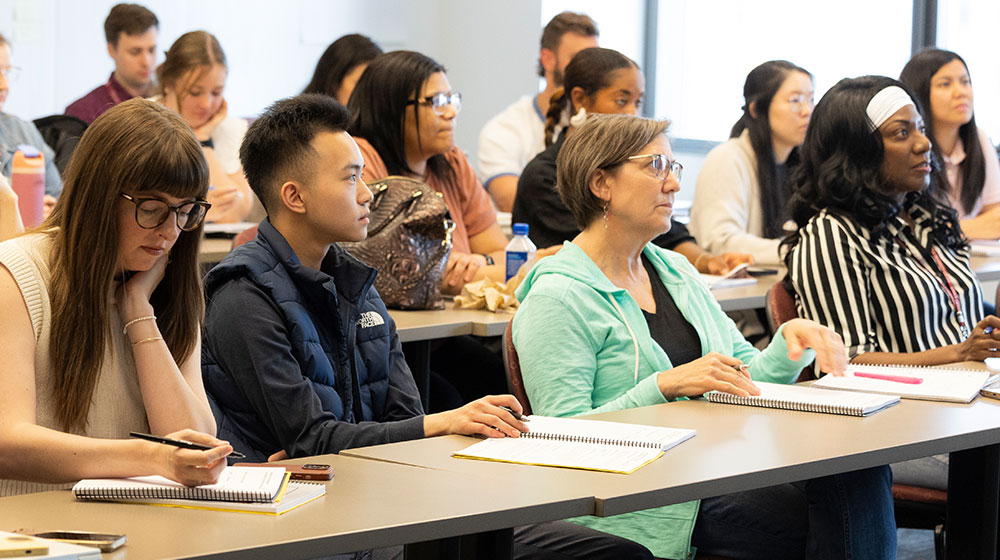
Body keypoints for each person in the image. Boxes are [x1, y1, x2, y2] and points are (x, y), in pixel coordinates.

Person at [201, 93, 653, 560]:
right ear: (294, 196)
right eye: (351, 178)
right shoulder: (244, 296)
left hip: (387, 496)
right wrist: (444, 422)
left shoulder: (353, 279)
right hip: (310, 522)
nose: (367, 194)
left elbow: (404, 417)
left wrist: (448, 429)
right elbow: (312, 441)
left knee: (615, 553)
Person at [514, 113, 896, 560]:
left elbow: (741, 373)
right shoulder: (558, 296)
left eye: (673, 169)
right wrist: (664, 385)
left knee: (858, 471)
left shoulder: (673, 269)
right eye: (656, 166)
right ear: (601, 183)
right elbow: (561, 438)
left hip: (716, 464)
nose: (674, 185)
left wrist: (789, 343)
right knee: (820, 515)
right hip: (645, 493)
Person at [0, 98, 230, 498]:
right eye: (153, 208)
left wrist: (138, 312)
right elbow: (8, 442)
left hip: (138, 527)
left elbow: (190, 437)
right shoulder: (17, 274)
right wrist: (150, 458)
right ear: (98, 198)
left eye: (186, 210)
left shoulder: (163, 286)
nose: (171, 230)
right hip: (35, 537)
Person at [785, 76, 1000, 491]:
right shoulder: (831, 234)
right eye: (902, 133)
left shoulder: (923, 220)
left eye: (920, 128)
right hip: (896, 428)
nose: (924, 144)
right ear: (857, 152)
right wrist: (957, 353)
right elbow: (843, 363)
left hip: (966, 407)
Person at [512, 47, 751, 275]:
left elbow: (666, 233)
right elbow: (609, 242)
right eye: (621, 101)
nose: (632, 114)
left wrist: (708, 261)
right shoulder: (543, 176)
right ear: (580, 99)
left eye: (637, 103)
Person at [349, 50, 560, 295]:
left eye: (451, 99)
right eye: (436, 102)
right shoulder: (360, 160)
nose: (451, 112)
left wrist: (484, 261)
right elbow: (413, 273)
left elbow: (498, 252)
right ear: (391, 107)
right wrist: (539, 264)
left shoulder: (452, 162)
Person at [690, 60, 814, 265]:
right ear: (757, 109)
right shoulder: (727, 158)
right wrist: (798, 250)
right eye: (795, 100)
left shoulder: (801, 165)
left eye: (810, 99)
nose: (807, 110)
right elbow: (720, 242)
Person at [478, 11, 598, 211]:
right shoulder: (503, 130)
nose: (591, 70)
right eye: (579, 59)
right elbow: (515, 203)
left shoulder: (605, 124)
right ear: (548, 59)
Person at [900, 48, 1000, 240]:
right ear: (919, 91)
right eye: (945, 84)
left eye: (965, 82)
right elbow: (911, 227)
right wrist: (971, 228)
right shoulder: (907, 146)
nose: (961, 92)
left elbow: (997, 218)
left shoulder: (979, 140)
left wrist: (947, 230)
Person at [155, 31, 254, 223]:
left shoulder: (231, 128)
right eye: (195, 92)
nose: (206, 104)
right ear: (169, 84)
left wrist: (203, 140)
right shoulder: (142, 120)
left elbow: (239, 211)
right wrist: (198, 209)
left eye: (216, 92)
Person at [65, 3, 158, 124]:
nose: (146, 62)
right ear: (112, 50)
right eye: (135, 52)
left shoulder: (172, 101)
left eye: (152, 50)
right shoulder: (83, 113)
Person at [0, 34, 62, 207]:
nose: (4, 85)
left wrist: (48, 215)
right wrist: (25, 213)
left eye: (6, 72)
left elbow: (61, 203)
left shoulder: (23, 131)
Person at [302, 34, 382, 106]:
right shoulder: (303, 119)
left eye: (373, 85)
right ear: (333, 82)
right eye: (359, 83)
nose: (369, 94)